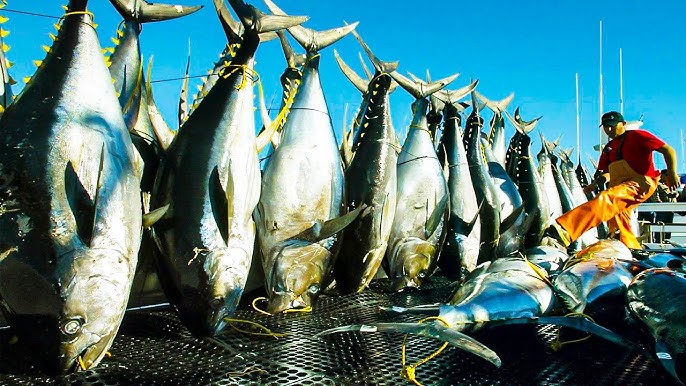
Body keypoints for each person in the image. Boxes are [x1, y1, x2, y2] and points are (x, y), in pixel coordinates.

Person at [544, 111, 679, 250]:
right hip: (620, 188)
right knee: (618, 223)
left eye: (612, 126)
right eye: (606, 126)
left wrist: (672, 173)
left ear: (623, 124)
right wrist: (594, 184)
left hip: (641, 184)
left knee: (606, 198)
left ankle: (564, 231)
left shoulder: (638, 135)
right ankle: (630, 249)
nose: (609, 130)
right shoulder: (608, 149)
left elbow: (668, 150)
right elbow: (608, 173)